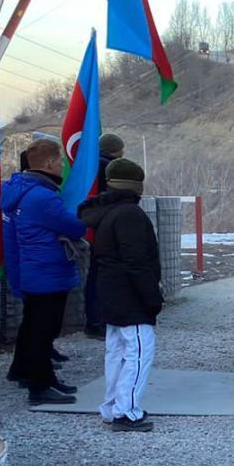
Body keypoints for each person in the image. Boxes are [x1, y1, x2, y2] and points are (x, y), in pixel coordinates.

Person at [1, 137, 88, 403]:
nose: (62, 166)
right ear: (49, 163)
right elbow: (75, 227)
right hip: (48, 272)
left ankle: (26, 372)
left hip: (31, 269)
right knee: (44, 330)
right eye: (60, 161)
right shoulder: (43, 197)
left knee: (32, 325)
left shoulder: (21, 190)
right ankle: (40, 386)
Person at [78, 158, 160, 431]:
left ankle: (112, 407)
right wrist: (152, 298)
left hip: (111, 293)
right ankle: (128, 412)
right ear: (137, 186)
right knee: (138, 351)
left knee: (116, 353)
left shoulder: (105, 213)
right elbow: (137, 263)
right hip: (130, 297)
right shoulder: (130, 215)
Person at [83, 132, 126, 339]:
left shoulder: (93, 162)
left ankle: (96, 320)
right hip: (104, 228)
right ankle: (96, 321)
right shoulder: (107, 167)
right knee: (100, 275)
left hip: (97, 227)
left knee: (97, 274)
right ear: (115, 150)